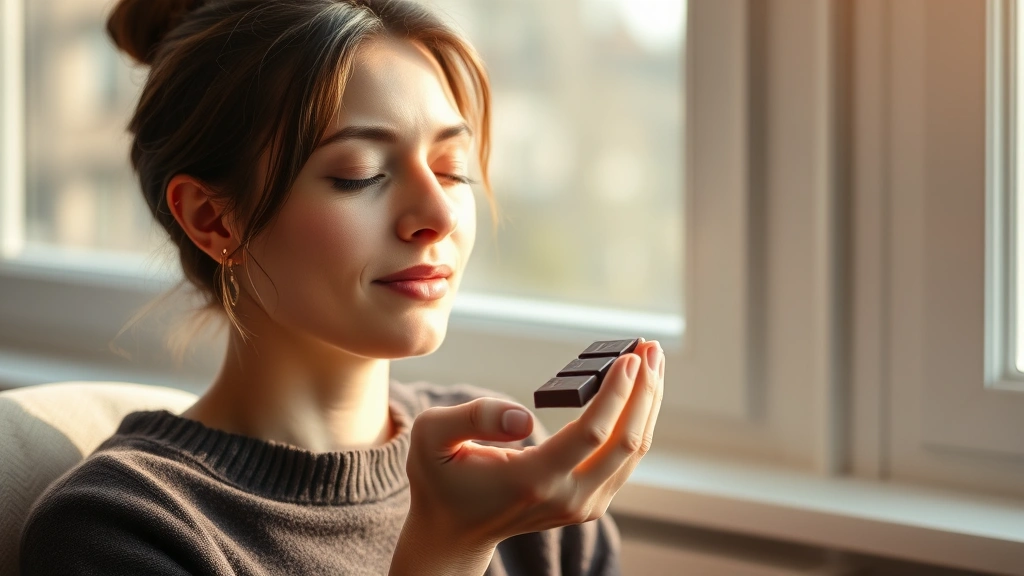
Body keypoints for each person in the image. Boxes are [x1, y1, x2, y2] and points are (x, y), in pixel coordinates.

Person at [19, 0, 665, 574]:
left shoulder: (510, 470)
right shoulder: (120, 530)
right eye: (360, 174)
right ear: (213, 219)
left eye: (450, 168)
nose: (437, 215)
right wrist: (449, 549)